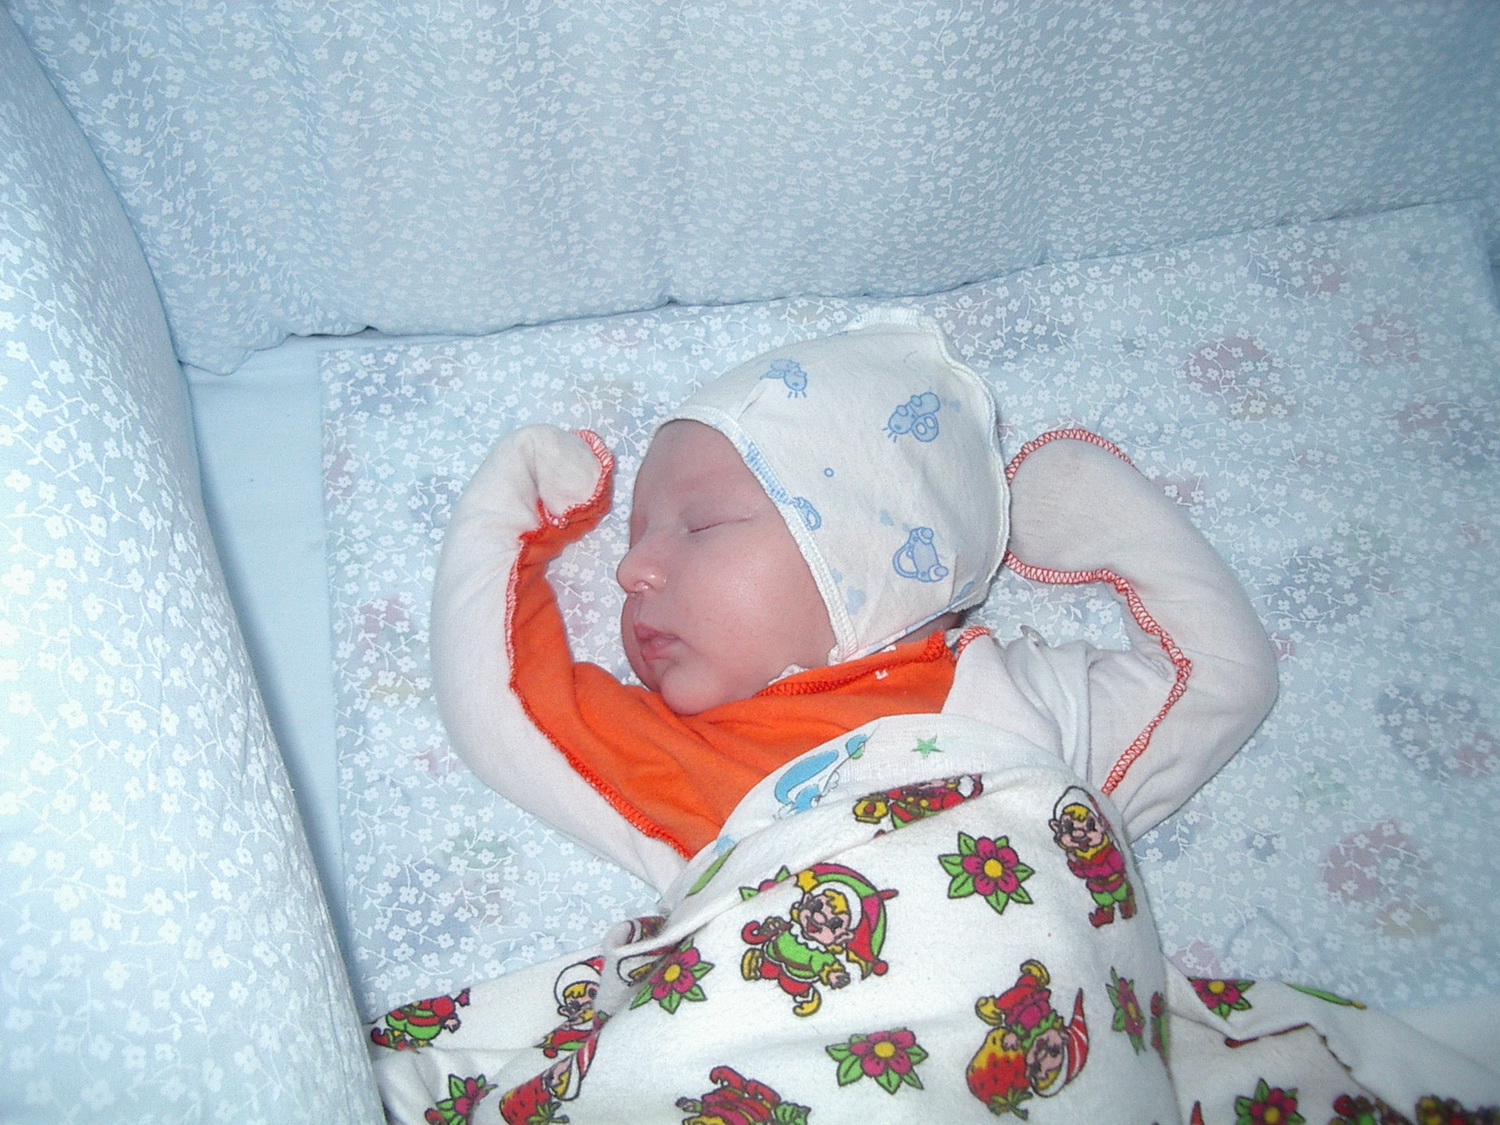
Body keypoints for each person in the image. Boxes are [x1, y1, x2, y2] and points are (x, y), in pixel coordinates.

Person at [374, 310, 1499, 1124]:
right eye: (631, 540)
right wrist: (506, 524)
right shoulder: (689, 751)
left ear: (867, 551)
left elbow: (1222, 678)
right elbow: (508, 710)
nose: (632, 572)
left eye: (698, 527)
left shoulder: (1021, 699)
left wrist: (1107, 518)